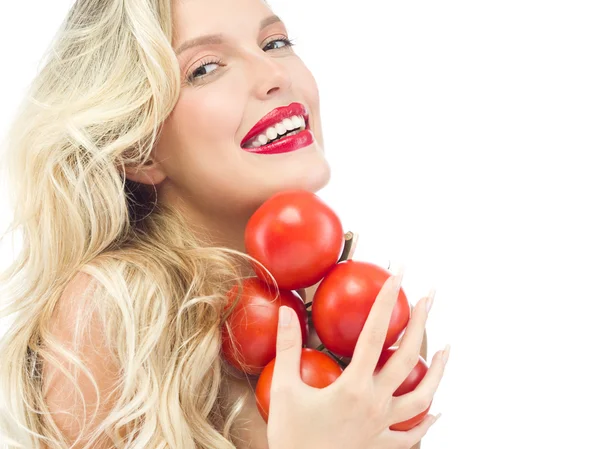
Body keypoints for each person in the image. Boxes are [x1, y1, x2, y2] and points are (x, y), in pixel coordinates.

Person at [0, 0, 449, 448]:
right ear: (139, 150)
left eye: (275, 42)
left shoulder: (361, 321)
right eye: (205, 68)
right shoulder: (114, 310)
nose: (275, 75)